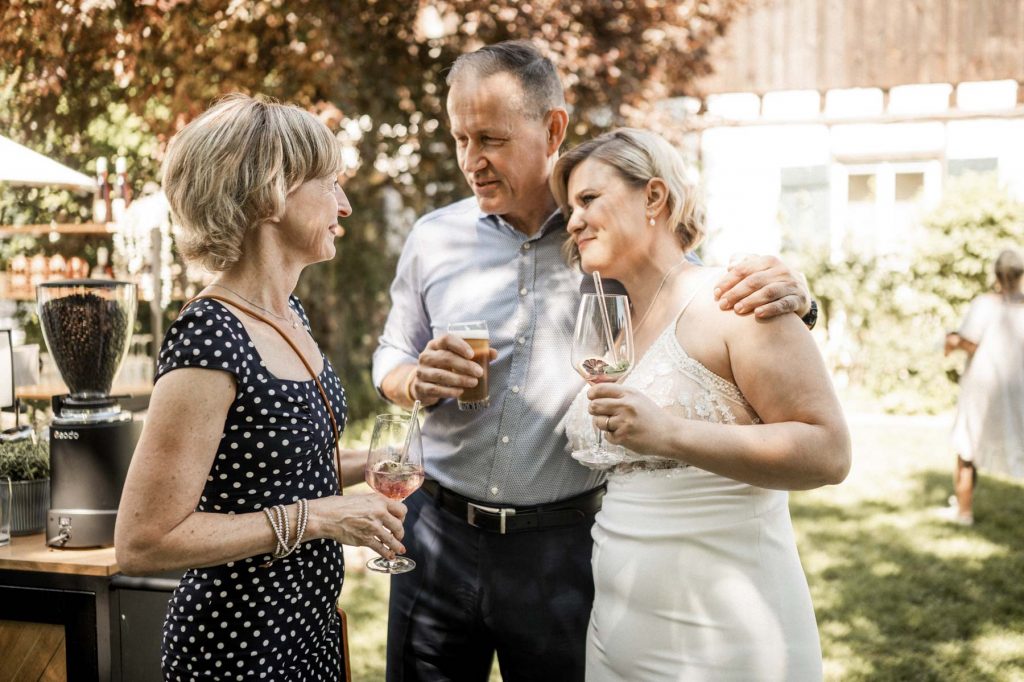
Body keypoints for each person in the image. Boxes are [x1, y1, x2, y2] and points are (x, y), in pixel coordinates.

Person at [373, 41, 816, 681]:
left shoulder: (611, 235)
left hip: (562, 549)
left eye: (490, 138)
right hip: (435, 536)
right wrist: (413, 377)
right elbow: (391, 351)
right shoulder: (432, 236)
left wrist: (798, 300)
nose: (472, 160)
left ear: (552, 127)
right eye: (460, 137)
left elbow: (700, 287)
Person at [115, 94, 408, 681]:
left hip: (309, 634)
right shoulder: (209, 336)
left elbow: (281, 462)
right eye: (329, 184)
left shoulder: (287, 313)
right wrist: (321, 519)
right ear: (271, 190)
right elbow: (144, 540)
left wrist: (379, 463)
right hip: (239, 650)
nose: (345, 205)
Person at [551, 127, 851, 680]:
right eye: (570, 207)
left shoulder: (737, 299)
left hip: (727, 642)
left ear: (654, 197)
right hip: (616, 637)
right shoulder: (616, 328)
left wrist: (670, 433)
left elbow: (829, 452)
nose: (572, 221)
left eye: (588, 199)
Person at [943, 248, 1024, 526]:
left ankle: (964, 512)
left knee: (967, 446)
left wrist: (952, 340)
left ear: (997, 274)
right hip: (1019, 386)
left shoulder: (985, 304)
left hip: (984, 384)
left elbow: (970, 343)